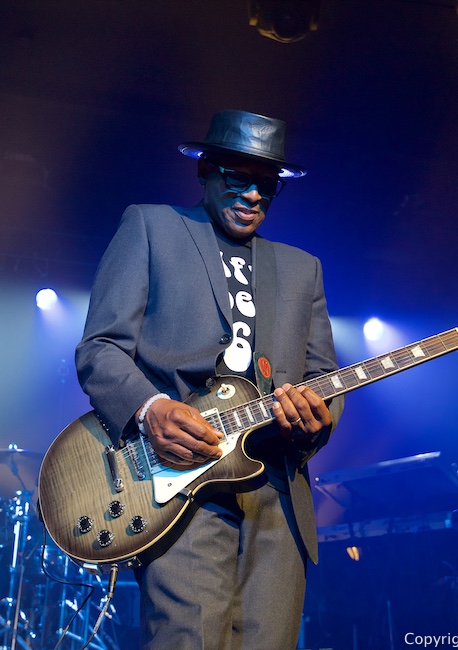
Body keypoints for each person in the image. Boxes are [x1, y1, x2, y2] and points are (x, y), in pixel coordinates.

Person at [75, 109, 344, 648]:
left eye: (266, 185)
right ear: (205, 171)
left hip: (276, 497)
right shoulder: (152, 226)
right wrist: (150, 409)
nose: (252, 195)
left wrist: (315, 423)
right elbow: (100, 348)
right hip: (180, 487)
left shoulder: (302, 267)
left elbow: (323, 378)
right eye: (237, 178)